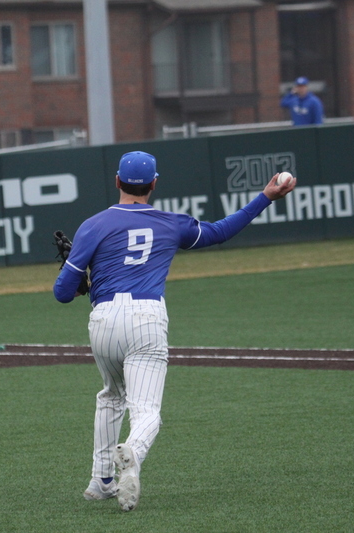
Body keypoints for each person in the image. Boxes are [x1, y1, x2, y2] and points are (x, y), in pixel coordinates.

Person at [53, 151, 296, 511]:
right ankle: (132, 453)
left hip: (102, 319)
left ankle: (101, 480)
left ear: (118, 182)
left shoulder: (93, 225)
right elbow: (220, 232)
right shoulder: (171, 223)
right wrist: (265, 197)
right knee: (146, 409)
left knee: (111, 395)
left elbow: (62, 293)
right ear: (153, 185)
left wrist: (82, 282)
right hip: (147, 318)